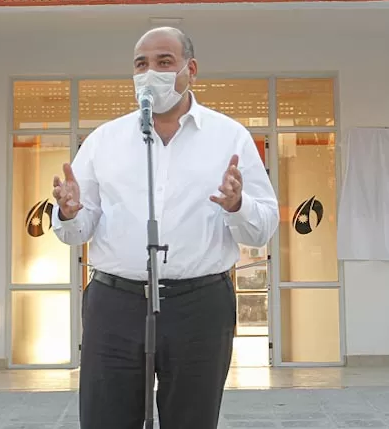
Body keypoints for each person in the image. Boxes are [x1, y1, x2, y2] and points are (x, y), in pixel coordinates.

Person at [51, 27, 279, 429]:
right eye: (141, 64)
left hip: (199, 305)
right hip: (116, 303)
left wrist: (238, 205)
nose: (150, 73)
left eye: (164, 62)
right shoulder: (104, 140)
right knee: (105, 418)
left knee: (192, 419)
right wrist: (69, 213)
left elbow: (261, 230)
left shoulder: (230, 137)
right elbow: (77, 231)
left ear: (190, 69)